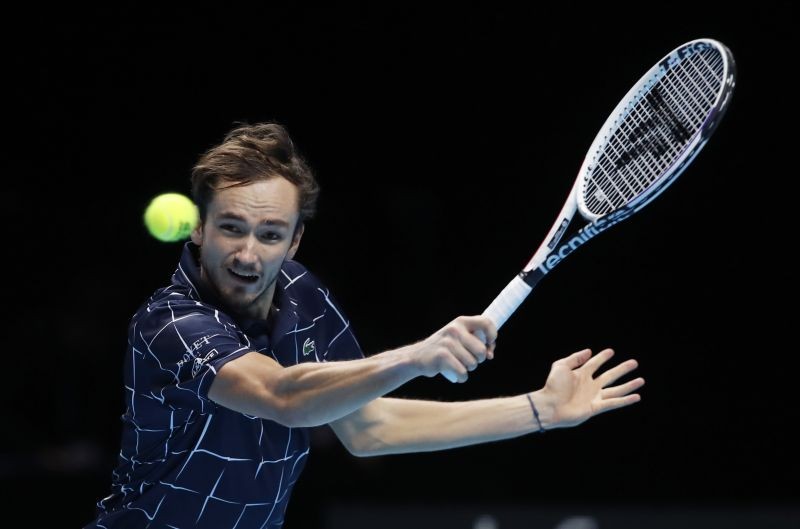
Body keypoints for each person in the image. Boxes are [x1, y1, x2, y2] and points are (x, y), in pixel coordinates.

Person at [85, 122, 644, 529]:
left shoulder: (304, 296)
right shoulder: (168, 321)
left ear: (295, 240)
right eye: (232, 228)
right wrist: (416, 356)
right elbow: (284, 396)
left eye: (271, 234)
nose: (248, 255)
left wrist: (538, 410)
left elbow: (370, 429)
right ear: (199, 229)